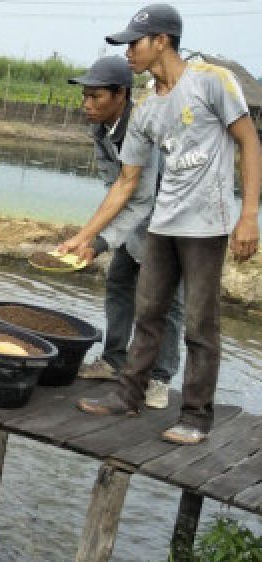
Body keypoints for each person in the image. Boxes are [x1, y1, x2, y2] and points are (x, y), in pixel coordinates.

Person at [59, 3, 260, 445]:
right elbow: (126, 183)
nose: (128, 52)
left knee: (198, 325)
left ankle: (195, 416)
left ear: (162, 41)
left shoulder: (211, 81)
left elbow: (249, 140)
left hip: (208, 224)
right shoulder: (147, 109)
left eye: (134, 43)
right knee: (148, 313)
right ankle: (128, 396)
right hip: (162, 225)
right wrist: (83, 237)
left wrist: (249, 215)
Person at [68, 55, 182, 410]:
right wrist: (95, 233)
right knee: (120, 282)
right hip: (136, 219)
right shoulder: (99, 128)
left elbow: (143, 198)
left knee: (166, 302)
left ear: (121, 95)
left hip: (172, 218)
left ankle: (160, 379)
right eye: (84, 96)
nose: (87, 105)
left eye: (95, 97)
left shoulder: (143, 128)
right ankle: (114, 360)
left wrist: (98, 239)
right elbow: (115, 184)